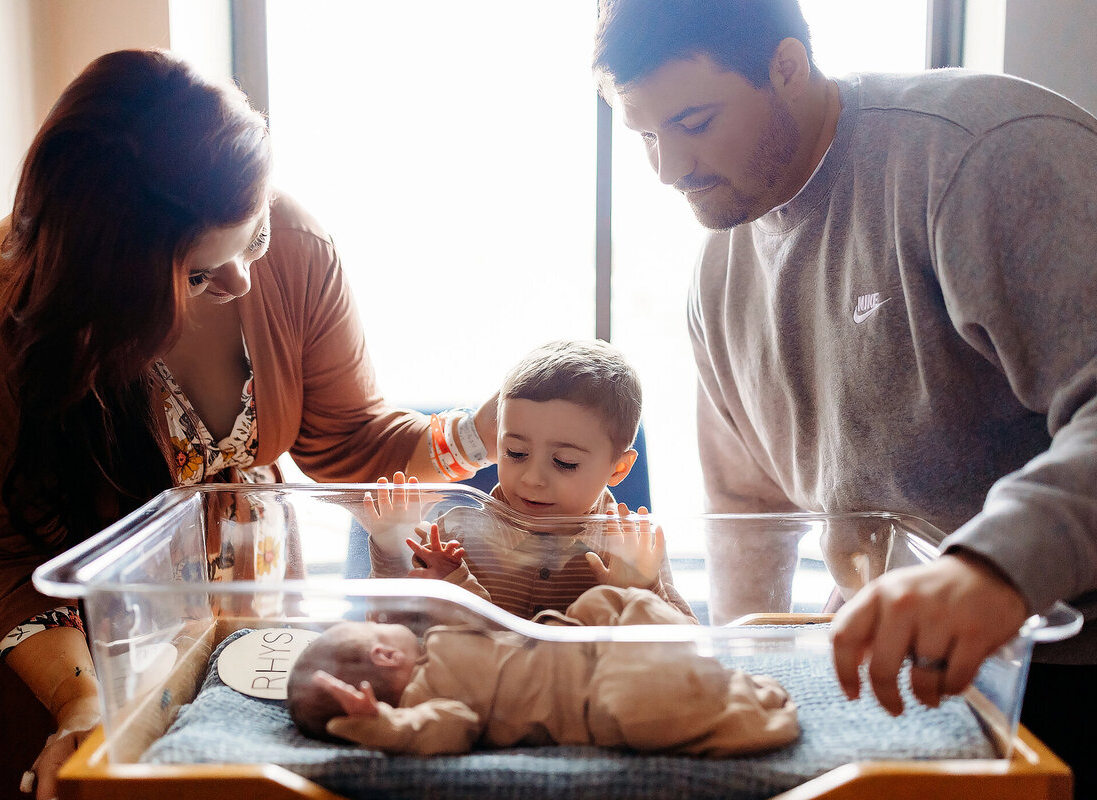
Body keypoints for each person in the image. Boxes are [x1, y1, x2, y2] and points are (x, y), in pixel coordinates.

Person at [0, 49, 495, 800]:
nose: (242, 281)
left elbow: (352, 443)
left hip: (245, 592)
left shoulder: (295, 246)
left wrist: (478, 435)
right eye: (195, 275)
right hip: (64, 637)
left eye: (251, 239)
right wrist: (82, 704)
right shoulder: (6, 299)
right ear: (109, 280)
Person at [591, 0, 1097, 793]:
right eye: (648, 135)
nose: (667, 166)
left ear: (787, 67)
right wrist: (738, 683)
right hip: (905, 682)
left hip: (1061, 659)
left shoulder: (980, 157)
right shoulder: (719, 275)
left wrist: (990, 569)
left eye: (694, 120)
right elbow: (747, 499)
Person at [363, 339, 695, 620]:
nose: (532, 478)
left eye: (564, 462)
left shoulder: (630, 548)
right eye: (516, 453)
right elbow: (387, 637)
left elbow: (692, 655)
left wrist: (640, 590)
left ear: (618, 469)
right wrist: (393, 546)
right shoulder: (454, 534)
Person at [287, 584, 799, 756]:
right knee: (636, 706)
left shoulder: (439, 638)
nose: (391, 626)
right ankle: (739, 697)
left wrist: (446, 586)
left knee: (603, 605)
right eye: (378, 630)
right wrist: (385, 725)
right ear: (384, 656)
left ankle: (717, 684)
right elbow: (450, 730)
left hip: (591, 633)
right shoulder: (426, 706)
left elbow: (488, 613)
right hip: (592, 693)